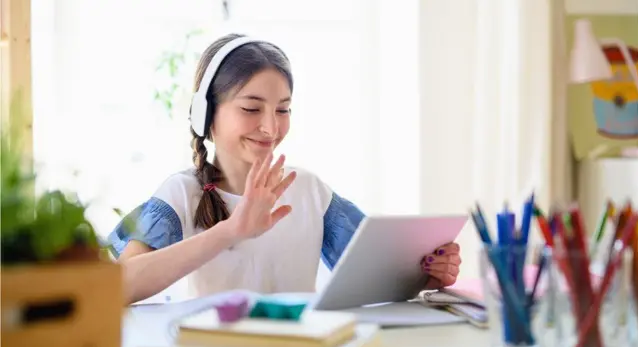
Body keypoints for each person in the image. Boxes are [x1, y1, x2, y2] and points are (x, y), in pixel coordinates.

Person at [109, 34, 462, 304]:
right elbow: (116, 287)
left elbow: (377, 275)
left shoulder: (309, 190)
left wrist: (427, 274)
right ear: (205, 114)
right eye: (251, 108)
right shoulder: (180, 194)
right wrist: (231, 230)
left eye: (283, 110)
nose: (270, 128)